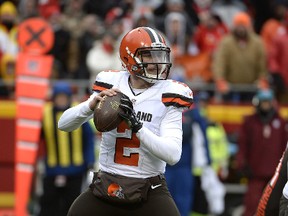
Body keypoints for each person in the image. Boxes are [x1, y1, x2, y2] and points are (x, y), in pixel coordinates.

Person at [58, 26, 193, 216]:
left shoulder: (169, 95)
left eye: (160, 55)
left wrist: (137, 126)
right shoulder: (111, 83)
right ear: (130, 59)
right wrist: (90, 105)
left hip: (149, 187)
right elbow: (63, 124)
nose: (158, 62)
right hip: (107, 183)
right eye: (149, 56)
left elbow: (172, 155)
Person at [38, 82, 96, 216]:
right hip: (52, 168)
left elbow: (88, 139)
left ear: (69, 97)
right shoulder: (45, 113)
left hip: (75, 168)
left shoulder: (78, 112)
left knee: (72, 204)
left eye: (64, 97)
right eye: (59, 97)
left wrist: (90, 160)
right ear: (53, 98)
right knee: (48, 203)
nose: (61, 100)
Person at [235, 89, 288, 216]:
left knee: (273, 207)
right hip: (255, 174)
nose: (266, 105)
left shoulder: (280, 122)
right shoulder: (250, 122)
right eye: (263, 102)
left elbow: (284, 147)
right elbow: (243, 144)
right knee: (253, 208)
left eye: (268, 102)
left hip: (275, 175)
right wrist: (242, 163)